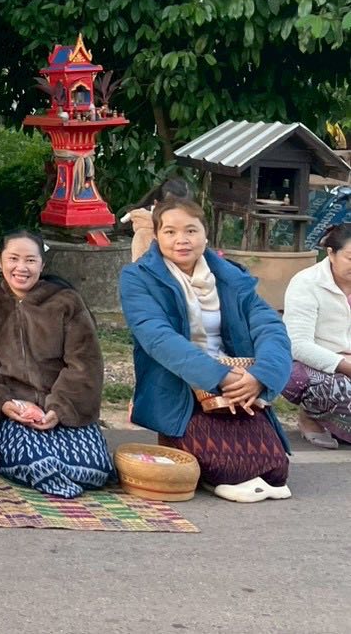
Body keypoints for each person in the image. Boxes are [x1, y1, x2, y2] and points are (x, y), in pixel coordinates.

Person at [119, 197, 292, 502]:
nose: (181, 240)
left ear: (205, 234)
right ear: (156, 236)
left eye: (191, 230)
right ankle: (192, 454)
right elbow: (157, 337)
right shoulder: (138, 277)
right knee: (229, 467)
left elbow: (270, 328)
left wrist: (260, 377)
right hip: (179, 385)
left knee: (276, 470)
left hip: (237, 385)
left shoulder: (230, 277)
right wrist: (219, 376)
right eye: (170, 231)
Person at [0, 230, 112, 498]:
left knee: (93, 469)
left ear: (42, 265)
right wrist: (5, 404)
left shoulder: (66, 302)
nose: (21, 268)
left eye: (30, 260)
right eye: (13, 259)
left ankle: (61, 471)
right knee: (34, 463)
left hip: (66, 406)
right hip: (17, 408)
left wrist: (58, 409)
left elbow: (85, 363)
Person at [281, 224, 351, 447]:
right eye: (350, 258)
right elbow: (298, 345)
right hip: (311, 364)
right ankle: (310, 417)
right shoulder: (307, 282)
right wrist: (345, 364)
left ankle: (339, 427)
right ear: (331, 253)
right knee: (340, 389)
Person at [124, 175, 193, 261]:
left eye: (184, 209)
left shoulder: (192, 230)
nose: (177, 215)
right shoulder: (145, 234)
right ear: (156, 204)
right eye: (170, 209)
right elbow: (141, 267)